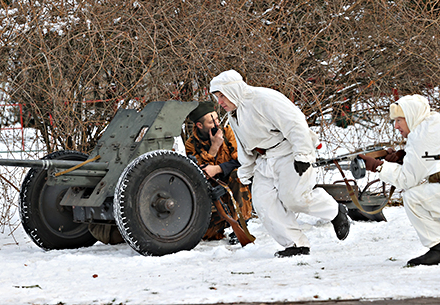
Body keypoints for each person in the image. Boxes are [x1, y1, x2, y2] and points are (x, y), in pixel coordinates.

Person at [209, 70, 350, 257]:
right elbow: (244, 145)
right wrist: (247, 169)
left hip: (288, 152)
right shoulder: (235, 113)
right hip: (264, 160)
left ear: (233, 89)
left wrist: (302, 154)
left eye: (222, 95)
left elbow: (295, 123)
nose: (220, 102)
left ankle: (335, 211)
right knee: (263, 203)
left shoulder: (264, 99)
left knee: (295, 199)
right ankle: (296, 244)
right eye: (217, 97)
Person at [358, 94, 440, 266]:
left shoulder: (421, 136)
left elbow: (406, 180)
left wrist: (378, 166)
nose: (396, 126)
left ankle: (438, 247)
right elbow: (430, 163)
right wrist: (404, 157)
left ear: (411, 116)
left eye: (399, 120)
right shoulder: (432, 123)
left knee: (413, 196)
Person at [185, 101, 253, 243]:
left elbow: (242, 161)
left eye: (217, 119)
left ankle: (241, 224)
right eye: (211, 122)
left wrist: (218, 169)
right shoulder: (191, 144)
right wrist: (214, 148)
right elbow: (199, 174)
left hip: (235, 187)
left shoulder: (229, 133)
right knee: (207, 235)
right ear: (199, 125)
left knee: (237, 174)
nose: (217, 124)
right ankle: (227, 221)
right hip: (214, 193)